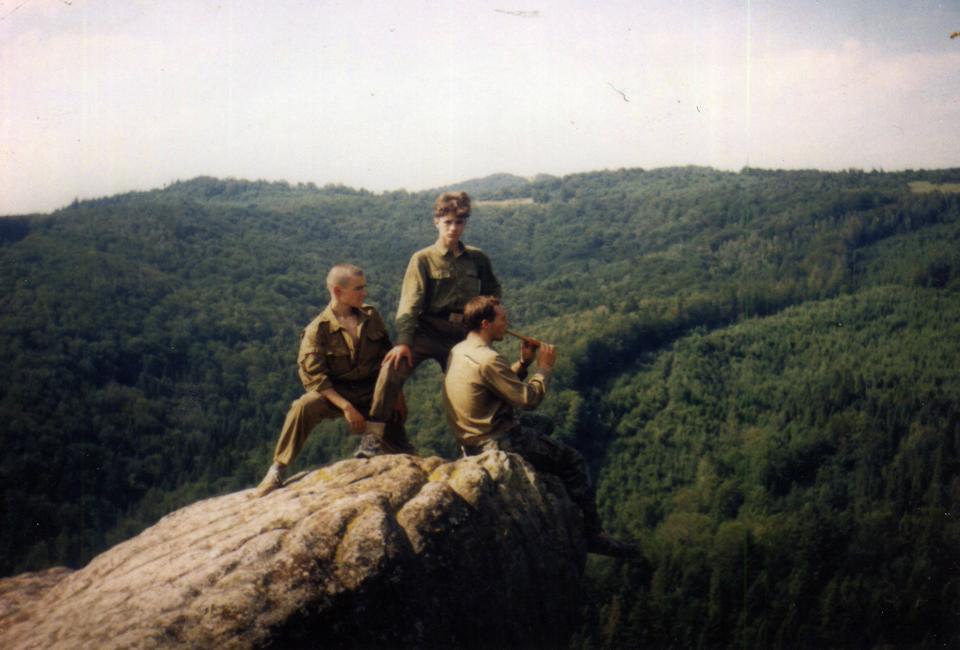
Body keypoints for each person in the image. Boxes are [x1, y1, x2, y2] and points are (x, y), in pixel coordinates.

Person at [442, 295, 638, 558]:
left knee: (545, 424)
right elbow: (528, 400)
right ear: (486, 324)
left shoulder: (460, 350)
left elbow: (497, 383)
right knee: (573, 461)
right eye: (503, 319)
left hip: (472, 435)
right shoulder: (488, 358)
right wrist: (544, 368)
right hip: (494, 439)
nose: (507, 324)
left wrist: (524, 363)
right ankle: (595, 535)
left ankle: (539, 466)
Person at [254, 264, 411, 498]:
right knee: (303, 406)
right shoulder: (317, 330)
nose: (364, 293)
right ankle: (277, 469)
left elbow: (386, 355)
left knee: (407, 457)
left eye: (364, 287)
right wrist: (346, 407)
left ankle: (373, 438)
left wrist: (396, 395)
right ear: (338, 291)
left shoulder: (371, 316)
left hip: (374, 394)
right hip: (338, 394)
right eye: (358, 289)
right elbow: (316, 379)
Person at [368, 191, 501, 421]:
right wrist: (404, 342)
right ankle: (374, 432)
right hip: (428, 331)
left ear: (465, 223)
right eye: (448, 222)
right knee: (392, 368)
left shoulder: (477, 258)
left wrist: (484, 325)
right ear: (436, 221)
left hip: (464, 334)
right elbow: (410, 302)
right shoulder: (423, 259)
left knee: (480, 381)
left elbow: (492, 293)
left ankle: (481, 435)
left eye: (459, 222)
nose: (453, 228)